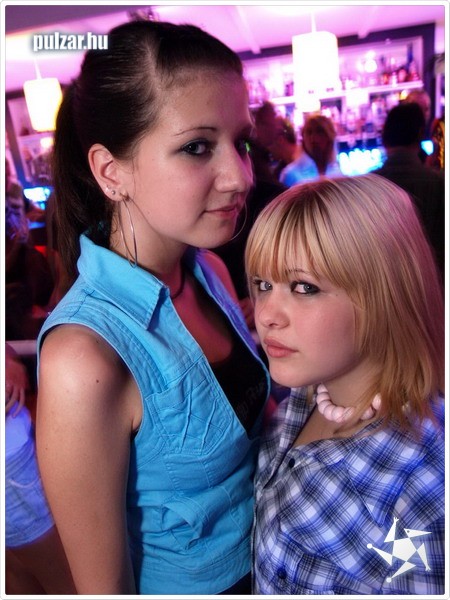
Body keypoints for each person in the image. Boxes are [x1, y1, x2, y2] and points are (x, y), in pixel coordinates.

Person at [35, 19, 270, 595]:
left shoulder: (207, 270)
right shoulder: (84, 357)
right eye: (197, 147)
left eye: (241, 143)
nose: (240, 177)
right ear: (111, 172)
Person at [245, 174, 445, 595]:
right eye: (263, 285)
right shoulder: (299, 401)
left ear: (386, 295)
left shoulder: (424, 486)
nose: (266, 315)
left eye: (304, 287)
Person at [5, 343, 76, 594]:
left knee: (21, 577)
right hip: (14, 474)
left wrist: (7, 358)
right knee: (72, 583)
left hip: (17, 463)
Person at [374, 101, 445, 281]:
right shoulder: (439, 183)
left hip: (383, 285)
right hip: (433, 284)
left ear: (385, 135)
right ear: (420, 133)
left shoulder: (365, 185)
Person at [279, 113, 342, 186]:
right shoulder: (290, 174)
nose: (313, 139)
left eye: (319, 132)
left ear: (329, 137)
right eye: (309, 132)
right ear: (303, 138)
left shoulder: (338, 172)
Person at [268, 116, 301, 181]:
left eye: (269, 143)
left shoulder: (308, 162)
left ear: (280, 140)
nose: (268, 149)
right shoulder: (279, 170)